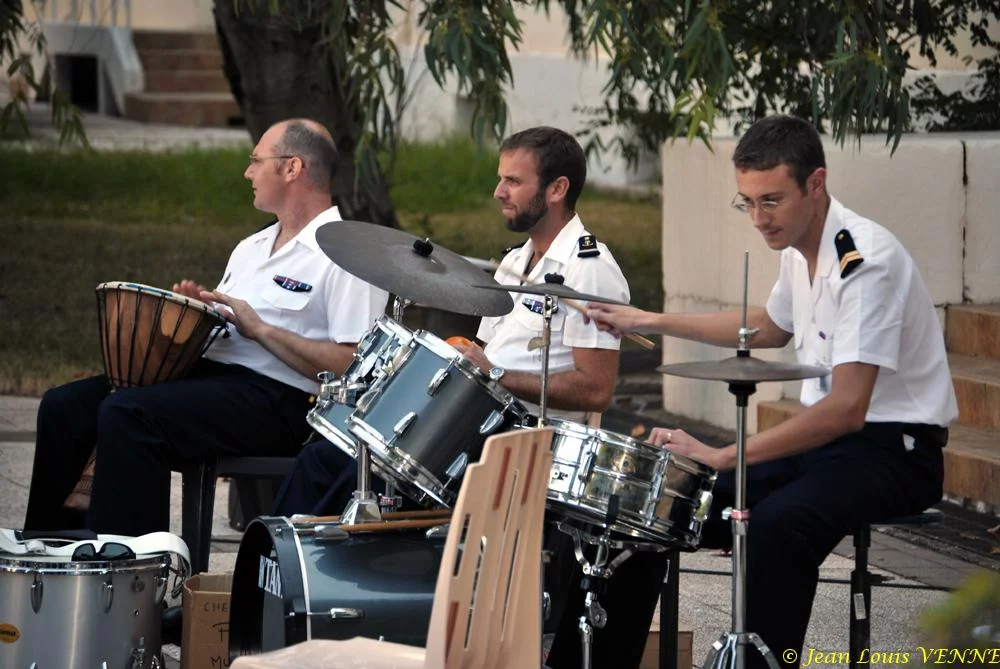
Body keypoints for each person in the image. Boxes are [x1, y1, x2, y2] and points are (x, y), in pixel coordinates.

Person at [269, 126, 654, 668]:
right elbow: (489, 360)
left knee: (345, 468)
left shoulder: (589, 267)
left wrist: (490, 369)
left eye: (513, 181)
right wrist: (470, 360)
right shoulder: (515, 262)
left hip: (530, 445)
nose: (499, 191)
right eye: (501, 178)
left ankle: (288, 596)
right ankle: (284, 592)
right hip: (480, 427)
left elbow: (596, 386)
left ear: (557, 189)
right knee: (334, 453)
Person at [586, 114, 957, 667]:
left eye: (772, 201)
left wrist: (725, 453)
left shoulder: (866, 264)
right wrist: (649, 320)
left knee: (777, 528)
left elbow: (848, 409)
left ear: (816, 183)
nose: (758, 218)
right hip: (827, 448)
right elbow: (769, 327)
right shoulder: (798, 245)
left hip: (895, 452)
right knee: (659, 503)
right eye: (748, 202)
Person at [23, 118, 389, 538]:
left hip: (284, 401)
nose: (247, 173)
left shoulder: (345, 253)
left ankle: (130, 575)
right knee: (63, 405)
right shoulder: (251, 248)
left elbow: (354, 365)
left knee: (129, 415)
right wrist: (193, 317)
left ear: (292, 168)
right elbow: (225, 331)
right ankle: (51, 557)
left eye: (256, 161)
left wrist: (263, 331)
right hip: (214, 381)